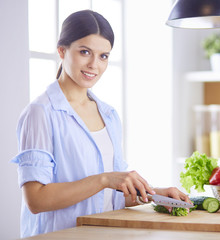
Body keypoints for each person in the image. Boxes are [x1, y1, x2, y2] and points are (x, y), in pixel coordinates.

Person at [11, 10, 190, 238]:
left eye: (103, 56)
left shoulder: (108, 114)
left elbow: (109, 196)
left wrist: (156, 195)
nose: (94, 65)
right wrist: (105, 179)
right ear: (62, 51)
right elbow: (36, 200)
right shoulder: (40, 112)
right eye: (85, 52)